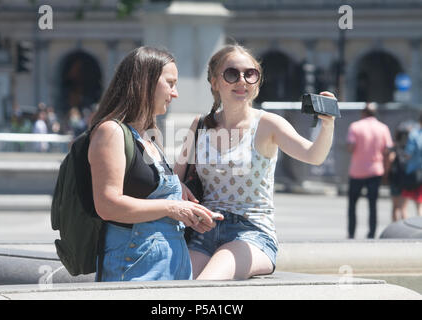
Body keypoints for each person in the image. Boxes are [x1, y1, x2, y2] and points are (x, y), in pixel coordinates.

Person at [174, 44, 336, 280]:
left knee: (206, 284)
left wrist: (328, 124)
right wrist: (182, 193)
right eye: (232, 74)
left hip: (251, 232)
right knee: (177, 286)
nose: (242, 81)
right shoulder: (200, 125)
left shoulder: (268, 123)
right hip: (204, 230)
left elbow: (314, 156)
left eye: (250, 74)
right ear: (214, 82)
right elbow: (175, 179)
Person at [87, 46, 219, 282]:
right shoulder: (111, 132)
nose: (175, 93)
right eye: (170, 83)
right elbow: (107, 205)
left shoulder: (148, 135)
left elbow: (145, 187)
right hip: (135, 262)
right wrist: (172, 208)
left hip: (172, 261)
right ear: (144, 82)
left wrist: (181, 197)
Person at [346, 103, 393, 239]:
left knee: (352, 205)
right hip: (375, 171)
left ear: (363, 113)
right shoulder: (383, 128)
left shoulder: (355, 126)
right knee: (373, 205)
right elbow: (388, 150)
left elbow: (351, 147)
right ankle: (371, 233)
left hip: (357, 171)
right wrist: (387, 170)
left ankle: (351, 232)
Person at [388, 124, 411, 221]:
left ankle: (395, 232)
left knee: (395, 207)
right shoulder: (409, 148)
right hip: (406, 179)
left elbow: (390, 159)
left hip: (395, 178)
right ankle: (404, 233)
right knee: (404, 208)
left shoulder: (395, 147)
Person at [401, 111, 422, 216]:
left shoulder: (414, 134)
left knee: (404, 206)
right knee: (419, 206)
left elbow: (408, 154)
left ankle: (406, 232)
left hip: (412, 173)